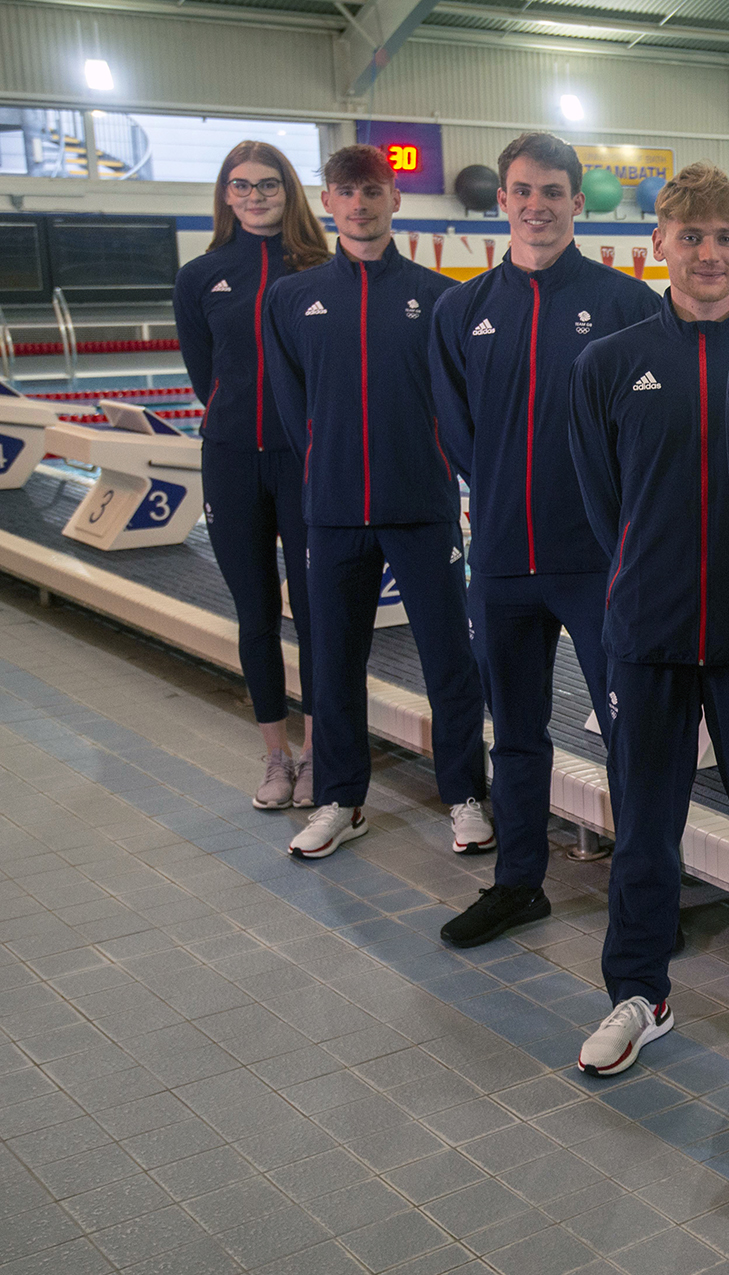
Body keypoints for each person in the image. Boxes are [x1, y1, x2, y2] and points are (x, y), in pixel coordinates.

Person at [565, 163, 729, 1077]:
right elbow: (603, 505)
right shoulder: (610, 364)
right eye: (691, 235)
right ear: (658, 242)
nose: (708, 252)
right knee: (645, 822)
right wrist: (649, 578)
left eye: (726, 236)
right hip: (650, 632)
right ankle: (639, 990)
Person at [431, 133, 661, 948]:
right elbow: (460, 434)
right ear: (503, 200)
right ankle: (518, 882)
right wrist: (497, 501)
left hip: (599, 564)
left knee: (630, 740)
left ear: (577, 201)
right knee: (517, 734)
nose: (537, 204)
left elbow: (648, 437)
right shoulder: (463, 311)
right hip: (499, 564)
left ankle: (641, 901)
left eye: (553, 190)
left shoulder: (630, 303)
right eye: (523, 190)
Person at [264, 144, 493, 860]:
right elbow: (292, 405)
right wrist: (330, 471)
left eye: (373, 191)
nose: (360, 204)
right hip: (331, 513)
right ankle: (339, 798)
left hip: (421, 507)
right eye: (346, 192)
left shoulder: (441, 297)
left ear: (394, 199)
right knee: (331, 661)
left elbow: (458, 409)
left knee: (449, 659)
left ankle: (464, 793)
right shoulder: (291, 300)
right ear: (327, 201)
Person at [176, 142, 331, 812]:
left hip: (306, 461)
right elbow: (202, 372)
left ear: (289, 190)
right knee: (256, 613)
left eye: (268, 184)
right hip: (233, 459)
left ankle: (321, 754)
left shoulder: (323, 269)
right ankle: (275, 755)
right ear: (225, 195)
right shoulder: (202, 274)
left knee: (320, 613)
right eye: (241, 185)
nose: (256, 195)